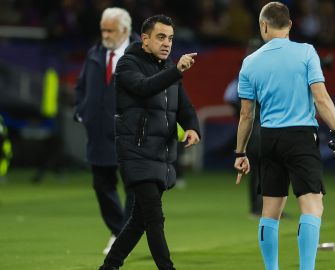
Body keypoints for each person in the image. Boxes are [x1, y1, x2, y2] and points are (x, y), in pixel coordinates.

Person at [233, 2, 335, 270]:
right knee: (312, 208)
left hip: (269, 139)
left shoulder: (250, 62)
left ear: (263, 26)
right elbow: (320, 98)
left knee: (269, 213)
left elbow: (246, 115)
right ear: (290, 25)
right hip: (300, 137)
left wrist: (240, 153)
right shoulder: (306, 52)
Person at [98, 14, 200, 270]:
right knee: (155, 217)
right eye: (161, 37)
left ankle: (109, 267)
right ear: (145, 39)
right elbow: (144, 87)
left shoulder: (169, 68)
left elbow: (184, 106)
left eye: (171, 38)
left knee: (139, 221)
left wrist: (192, 128)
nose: (167, 43)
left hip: (161, 154)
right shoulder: (127, 65)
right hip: (136, 151)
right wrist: (176, 71)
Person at [74, 7, 136, 255]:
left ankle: (124, 235)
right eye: (103, 29)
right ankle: (118, 230)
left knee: (134, 187)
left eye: (110, 30)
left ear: (125, 30)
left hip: (130, 135)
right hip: (99, 133)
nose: (105, 34)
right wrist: (81, 111)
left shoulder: (142, 55)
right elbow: (81, 87)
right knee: (102, 185)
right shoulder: (95, 53)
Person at [224, 38, 263, 217]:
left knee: (259, 169)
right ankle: (259, 208)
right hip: (260, 127)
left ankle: (262, 208)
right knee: (262, 169)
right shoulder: (259, 72)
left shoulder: (244, 72)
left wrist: (238, 111)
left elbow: (229, 95)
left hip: (254, 126)